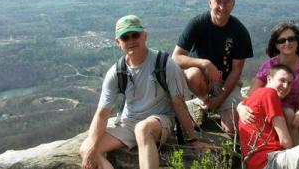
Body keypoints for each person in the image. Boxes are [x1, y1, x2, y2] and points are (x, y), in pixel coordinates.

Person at [79, 15, 207, 169]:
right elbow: (102, 114)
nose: (131, 40)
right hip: (128, 122)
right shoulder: (116, 72)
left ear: (145, 35)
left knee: (142, 128)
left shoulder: (165, 64)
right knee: (87, 150)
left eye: (135, 35)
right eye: (125, 37)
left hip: (159, 121)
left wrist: (193, 139)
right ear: (118, 42)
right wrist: (92, 145)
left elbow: (178, 103)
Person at [172, 0, 254, 133]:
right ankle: (206, 102)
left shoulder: (239, 31)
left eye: (227, 2)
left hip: (227, 82)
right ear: (210, 2)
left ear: (233, 4)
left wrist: (220, 98)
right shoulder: (197, 24)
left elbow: (236, 70)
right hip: (203, 80)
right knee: (192, 74)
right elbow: (176, 57)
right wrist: (204, 63)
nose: (222, 7)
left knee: (232, 127)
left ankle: (213, 106)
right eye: (218, 1)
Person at [238, 64, 299, 169]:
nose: (286, 86)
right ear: (269, 78)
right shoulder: (269, 94)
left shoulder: (255, 95)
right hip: (269, 162)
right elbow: (285, 141)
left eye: (290, 83)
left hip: (258, 162)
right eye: (282, 80)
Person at [238, 22, 299, 145]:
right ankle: (295, 154)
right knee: (288, 113)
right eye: (282, 40)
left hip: (296, 108)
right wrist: (240, 107)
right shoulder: (269, 66)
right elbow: (251, 94)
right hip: (273, 109)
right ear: (276, 45)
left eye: (291, 39)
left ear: (298, 41)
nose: (287, 43)